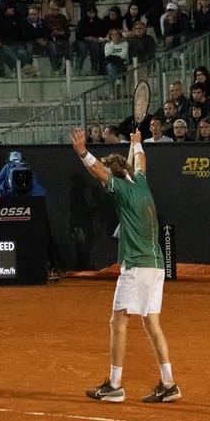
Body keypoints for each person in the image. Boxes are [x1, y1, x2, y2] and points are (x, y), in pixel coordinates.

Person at [71, 127, 181, 404]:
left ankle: (114, 385)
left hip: (137, 266)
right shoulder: (141, 183)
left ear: (116, 175)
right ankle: (169, 384)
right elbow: (141, 162)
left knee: (118, 322)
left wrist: (83, 153)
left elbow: (99, 172)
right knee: (151, 323)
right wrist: (138, 143)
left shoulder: (119, 188)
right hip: (156, 266)